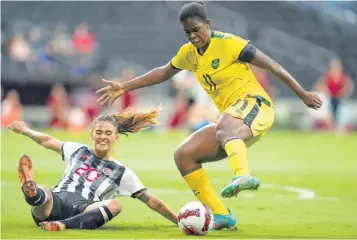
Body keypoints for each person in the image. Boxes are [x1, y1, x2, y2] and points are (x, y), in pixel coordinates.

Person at [96, 2, 322, 230]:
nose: (193, 36)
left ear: (208, 24)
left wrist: (302, 94)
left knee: (225, 125)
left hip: (256, 106)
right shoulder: (189, 54)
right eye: (187, 32)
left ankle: (244, 175)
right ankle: (222, 215)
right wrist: (125, 86)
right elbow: (163, 72)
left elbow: (273, 66)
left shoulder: (231, 44)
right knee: (184, 155)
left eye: (196, 30)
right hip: (231, 123)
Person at [7, 107, 177, 231]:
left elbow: (152, 201)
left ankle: (62, 224)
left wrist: (178, 219)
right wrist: (25, 130)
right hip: (55, 202)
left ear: (115, 138)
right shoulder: (78, 150)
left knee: (116, 205)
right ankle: (32, 191)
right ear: (92, 135)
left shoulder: (121, 172)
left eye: (108, 133)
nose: (103, 136)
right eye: (99, 132)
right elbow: (48, 141)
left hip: (84, 209)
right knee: (44, 192)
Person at [315, 57, 354, 128]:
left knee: (339, 112)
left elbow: (348, 86)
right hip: (329, 98)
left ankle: (339, 126)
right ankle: (330, 126)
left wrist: (342, 92)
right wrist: (326, 90)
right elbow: (319, 85)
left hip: (339, 99)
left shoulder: (343, 77)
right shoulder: (327, 76)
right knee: (328, 112)